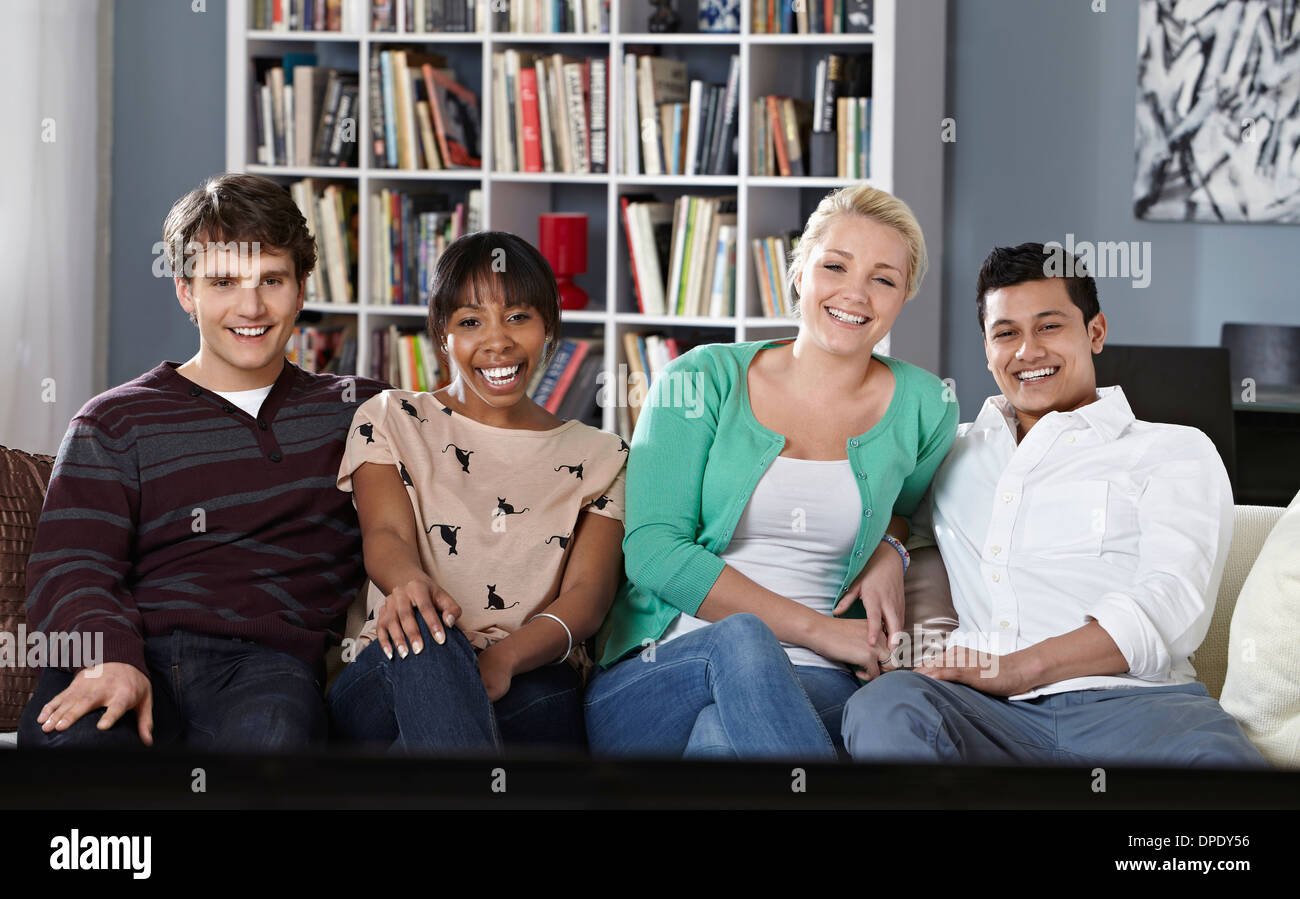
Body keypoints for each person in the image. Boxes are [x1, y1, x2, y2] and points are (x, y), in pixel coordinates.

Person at [841, 242, 1267, 767]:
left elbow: (1170, 602)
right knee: (885, 708)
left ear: (1095, 331)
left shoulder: (1173, 450)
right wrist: (890, 546)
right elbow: (891, 515)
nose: (1028, 351)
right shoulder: (953, 451)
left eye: (1049, 326)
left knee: (1223, 779)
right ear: (986, 348)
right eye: (1006, 333)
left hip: (1136, 708)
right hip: (979, 710)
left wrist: (1020, 667)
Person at [584, 185, 959, 760]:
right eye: (835, 266)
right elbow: (654, 551)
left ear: (903, 295)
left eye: (883, 278)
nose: (855, 293)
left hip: (823, 683)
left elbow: (908, 511)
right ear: (799, 272)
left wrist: (891, 546)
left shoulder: (926, 405)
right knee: (742, 639)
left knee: (718, 740)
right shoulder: (699, 380)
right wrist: (820, 631)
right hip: (666, 672)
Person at [19, 173, 386, 750]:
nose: (251, 306)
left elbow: (478, 451)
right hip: (128, 651)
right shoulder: (114, 421)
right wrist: (110, 658)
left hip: (268, 667)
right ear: (186, 292)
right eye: (223, 282)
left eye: (272, 279)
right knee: (83, 754)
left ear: (302, 288)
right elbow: (71, 566)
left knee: (274, 742)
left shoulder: (363, 411)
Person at [327, 231, 626, 754]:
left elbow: (588, 599)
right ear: (442, 336)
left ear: (549, 327)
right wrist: (415, 593)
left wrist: (504, 660)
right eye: (470, 321)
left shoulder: (604, 457)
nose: (497, 341)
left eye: (518, 317)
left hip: (532, 674)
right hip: (393, 666)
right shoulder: (392, 418)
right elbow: (386, 534)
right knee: (426, 637)